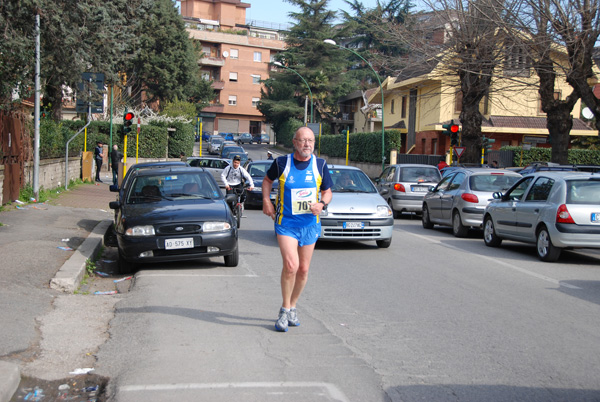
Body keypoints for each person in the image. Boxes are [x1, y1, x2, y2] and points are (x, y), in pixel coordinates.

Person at [262, 127, 333, 332]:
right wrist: (267, 201)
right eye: (303, 141)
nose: (307, 144)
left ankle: (293, 306)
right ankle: (284, 310)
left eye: (311, 140)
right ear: (295, 142)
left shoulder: (320, 164)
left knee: (303, 270)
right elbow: (267, 181)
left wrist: (322, 204)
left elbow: (327, 192)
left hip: (310, 224)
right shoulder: (282, 163)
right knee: (291, 265)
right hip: (286, 224)